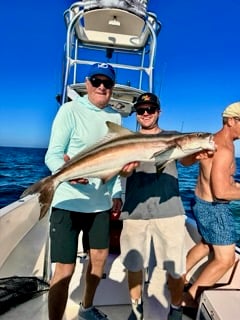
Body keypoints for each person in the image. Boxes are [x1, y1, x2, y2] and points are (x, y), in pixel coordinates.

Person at [45, 62, 124, 320]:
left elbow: (119, 160)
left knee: (98, 261)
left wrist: (117, 193)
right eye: (97, 82)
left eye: (108, 83)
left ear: (112, 88)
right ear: (87, 84)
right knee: (64, 270)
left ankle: (86, 308)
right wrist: (66, 173)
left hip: (100, 204)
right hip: (68, 201)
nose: (102, 87)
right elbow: (53, 155)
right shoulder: (70, 110)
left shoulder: (116, 118)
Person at [120, 92, 199, 320]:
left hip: (169, 210)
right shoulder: (126, 140)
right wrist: (124, 171)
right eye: (141, 110)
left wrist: (196, 153)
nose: (145, 113)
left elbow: (185, 159)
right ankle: (136, 307)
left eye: (150, 109)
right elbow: (120, 171)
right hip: (134, 210)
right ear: (136, 113)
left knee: (175, 268)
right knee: (134, 265)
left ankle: (175, 308)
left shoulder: (173, 137)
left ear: (159, 112)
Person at [182, 102, 240, 307]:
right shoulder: (224, 148)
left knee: (207, 243)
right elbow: (221, 191)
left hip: (200, 203)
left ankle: (178, 277)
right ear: (231, 121)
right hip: (215, 208)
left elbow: (186, 162)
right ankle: (188, 299)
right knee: (226, 259)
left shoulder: (212, 141)